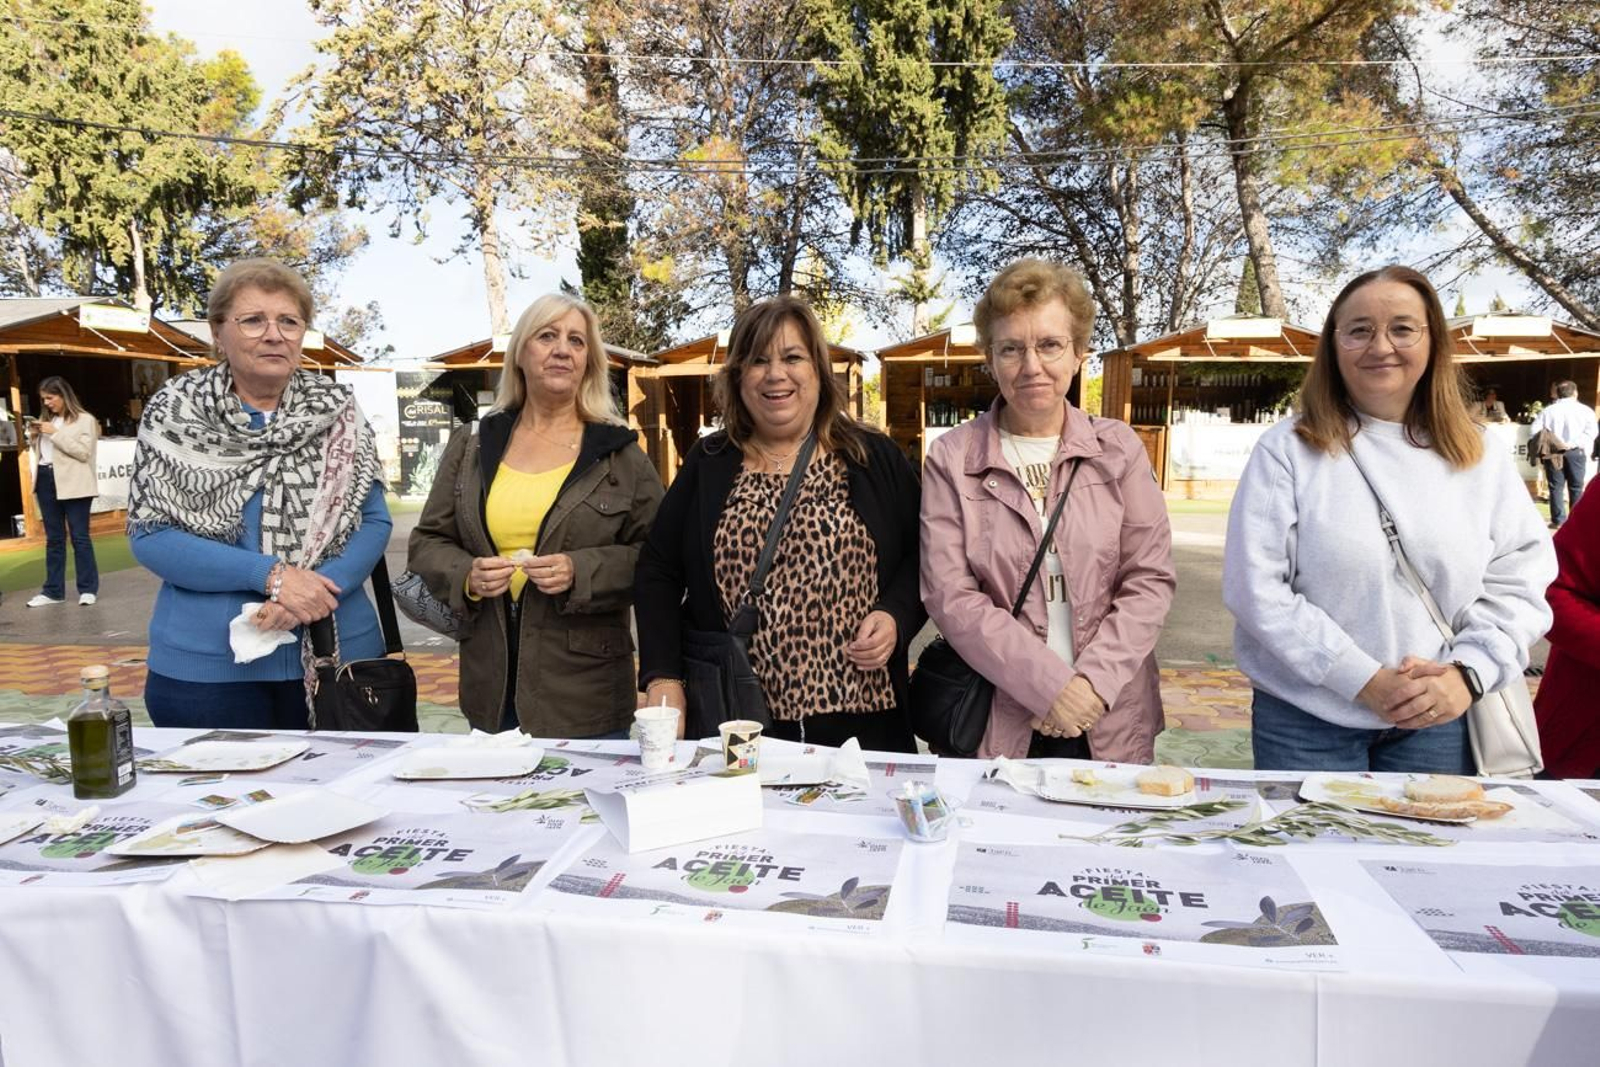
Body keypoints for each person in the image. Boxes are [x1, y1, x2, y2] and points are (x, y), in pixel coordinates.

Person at [1224, 266, 1555, 773]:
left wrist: (1467, 674)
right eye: (1359, 330)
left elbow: (1521, 577)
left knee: (1428, 851)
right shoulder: (1289, 450)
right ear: (1334, 346)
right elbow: (1257, 590)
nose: (1381, 345)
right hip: (1306, 719)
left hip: (1436, 717)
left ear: (1432, 341)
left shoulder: (1479, 453)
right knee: (1309, 851)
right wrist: (1363, 679)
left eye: (1402, 328)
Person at [634, 295, 923, 752]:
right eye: (757, 361)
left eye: (792, 357)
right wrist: (662, 674)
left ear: (818, 372)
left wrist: (896, 615)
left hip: (866, 719)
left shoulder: (871, 457)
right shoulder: (708, 464)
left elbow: (923, 554)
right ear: (738, 378)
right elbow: (657, 570)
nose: (775, 374)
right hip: (739, 718)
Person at [921, 259, 1175, 762]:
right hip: (1000, 717)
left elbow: (1148, 580)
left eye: (1050, 345)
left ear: (1079, 353)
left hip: (1108, 712)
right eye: (1011, 348)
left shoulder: (1117, 450)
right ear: (989, 360)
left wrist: (1090, 688)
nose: (1031, 365)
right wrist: (1049, 688)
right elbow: (951, 596)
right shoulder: (952, 458)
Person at [128, 259, 391, 729]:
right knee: (220, 800)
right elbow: (152, 534)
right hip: (207, 671)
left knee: (345, 798)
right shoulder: (176, 412)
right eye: (253, 320)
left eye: (289, 321)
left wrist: (312, 594)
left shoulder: (337, 412)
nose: (274, 334)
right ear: (218, 332)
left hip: (341, 657)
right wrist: (274, 577)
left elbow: (373, 521)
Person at [408, 294, 662, 737]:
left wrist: (580, 570)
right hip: (490, 687)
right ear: (521, 353)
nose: (562, 349)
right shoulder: (472, 446)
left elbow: (658, 560)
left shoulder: (621, 454)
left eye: (577, 341)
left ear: (589, 362)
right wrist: (466, 574)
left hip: (586, 694)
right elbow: (427, 542)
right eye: (547, 336)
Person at [25, 377, 100, 608]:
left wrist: (55, 433)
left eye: (50, 397)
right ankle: (53, 591)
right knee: (54, 539)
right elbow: (46, 454)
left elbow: (84, 453)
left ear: (63, 395)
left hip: (75, 483)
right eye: (43, 399)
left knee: (80, 537)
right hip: (47, 479)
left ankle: (87, 589)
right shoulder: (49, 420)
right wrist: (36, 437)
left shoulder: (84, 419)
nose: (47, 403)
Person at [1529, 380, 1598, 528]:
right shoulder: (1585, 410)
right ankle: (1576, 521)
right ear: (1575, 393)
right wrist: (1573, 443)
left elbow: (1534, 431)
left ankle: (1558, 520)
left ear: (1558, 393)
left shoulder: (1548, 411)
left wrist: (1552, 441)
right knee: (1576, 487)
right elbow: (1592, 432)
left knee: (1555, 487)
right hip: (1576, 451)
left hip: (1553, 452)